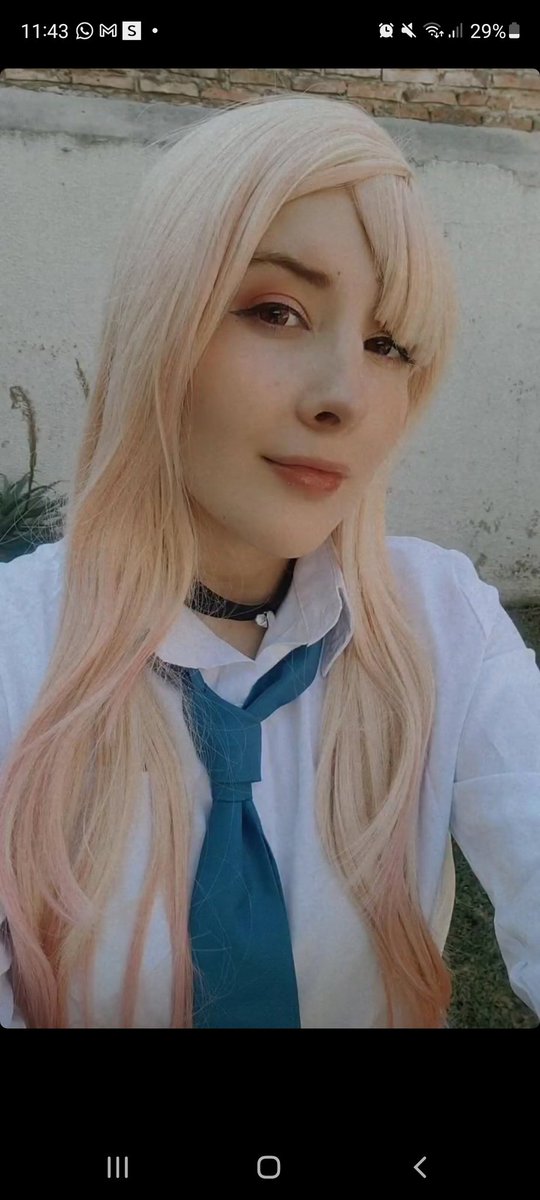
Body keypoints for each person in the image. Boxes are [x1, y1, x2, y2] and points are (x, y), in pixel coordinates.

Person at [0, 93, 539, 1030]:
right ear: (159, 322)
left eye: (388, 344)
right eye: (277, 311)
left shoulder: (445, 623)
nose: (344, 397)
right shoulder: (16, 655)